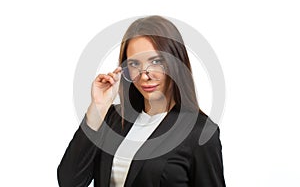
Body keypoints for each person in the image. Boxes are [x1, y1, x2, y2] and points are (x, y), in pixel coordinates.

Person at [57, 15, 226, 187]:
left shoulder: (200, 132)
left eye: (156, 61)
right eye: (134, 64)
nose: (145, 75)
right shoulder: (114, 119)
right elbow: (69, 181)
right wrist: (98, 107)